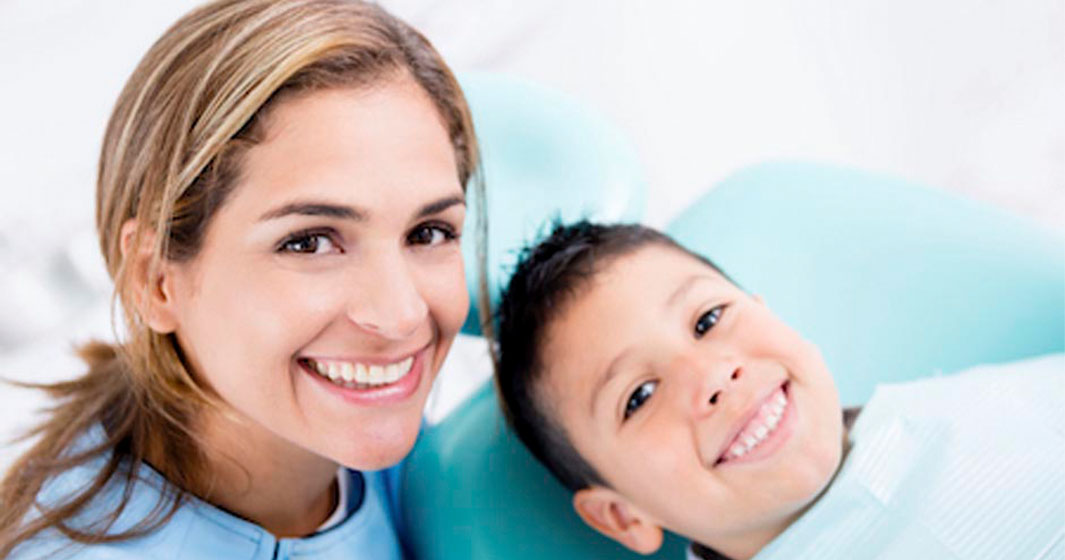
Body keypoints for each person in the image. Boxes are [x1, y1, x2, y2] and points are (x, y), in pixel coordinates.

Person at [0, 0, 484, 558]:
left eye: (428, 232)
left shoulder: (389, 454)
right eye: (309, 242)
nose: (400, 315)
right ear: (156, 279)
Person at [494, 221, 1063, 559]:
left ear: (768, 311)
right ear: (622, 516)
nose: (713, 377)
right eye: (639, 397)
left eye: (709, 320)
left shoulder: (951, 405)